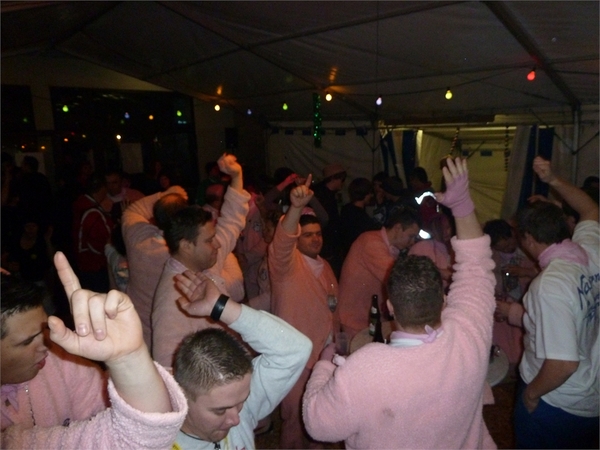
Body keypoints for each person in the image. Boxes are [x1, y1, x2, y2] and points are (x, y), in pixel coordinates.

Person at [302, 157, 497, 448]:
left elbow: (318, 423)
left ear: (390, 306)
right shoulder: (469, 335)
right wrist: (463, 207)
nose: (411, 242)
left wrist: (324, 367)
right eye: (410, 236)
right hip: (354, 319)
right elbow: (477, 269)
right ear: (443, 300)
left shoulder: (366, 367)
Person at [1, 252, 187, 448]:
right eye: (28, 341)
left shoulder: (60, 363)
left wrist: (127, 358)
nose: (48, 345)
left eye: (45, 329)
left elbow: (140, 436)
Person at [169, 269, 312, 449]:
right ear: (180, 396)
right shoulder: (156, 442)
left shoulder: (236, 401)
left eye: (242, 402)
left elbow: (295, 349)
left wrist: (221, 307)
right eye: (220, 410)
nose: (236, 419)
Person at [513, 156, 599, 449]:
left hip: (557, 401)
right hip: (590, 395)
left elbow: (563, 364)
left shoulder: (550, 285)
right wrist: (552, 179)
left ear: (528, 238)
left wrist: (531, 395)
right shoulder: (590, 251)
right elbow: (590, 209)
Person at [152, 154, 250, 368]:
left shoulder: (202, 261)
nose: (217, 244)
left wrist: (236, 176)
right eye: (209, 240)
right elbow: (167, 366)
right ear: (186, 245)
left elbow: (231, 222)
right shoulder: (173, 298)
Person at [269, 174, 339, 448]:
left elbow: (333, 309)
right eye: (307, 235)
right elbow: (282, 241)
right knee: (294, 419)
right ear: (297, 239)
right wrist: (296, 208)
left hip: (322, 355)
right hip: (294, 358)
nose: (315, 239)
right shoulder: (286, 266)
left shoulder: (326, 266)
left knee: (318, 416)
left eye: (318, 234)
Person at [121, 185, 189, 348]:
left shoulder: (137, 236)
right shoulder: (186, 252)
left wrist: (165, 194)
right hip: (170, 331)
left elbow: (132, 210)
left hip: (137, 324)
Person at [338, 207, 420, 339]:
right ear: (398, 228)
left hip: (368, 318)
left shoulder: (386, 246)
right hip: (356, 321)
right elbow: (398, 278)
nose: (413, 242)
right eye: (411, 236)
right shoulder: (371, 243)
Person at [71, 174, 114, 293]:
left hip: (84, 263)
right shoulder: (92, 212)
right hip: (94, 265)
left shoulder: (81, 204)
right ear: (102, 188)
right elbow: (99, 241)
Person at [312, 163, 346, 277]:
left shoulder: (327, 193)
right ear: (335, 179)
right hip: (327, 248)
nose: (343, 183)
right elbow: (326, 222)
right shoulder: (323, 196)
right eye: (342, 179)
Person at [408, 211, 454, 291]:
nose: (446, 232)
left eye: (448, 228)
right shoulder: (421, 247)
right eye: (441, 228)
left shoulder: (454, 248)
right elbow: (412, 271)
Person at [339, 177, 378, 260]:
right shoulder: (361, 217)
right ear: (365, 195)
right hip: (357, 255)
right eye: (370, 193)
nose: (371, 195)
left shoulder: (346, 209)